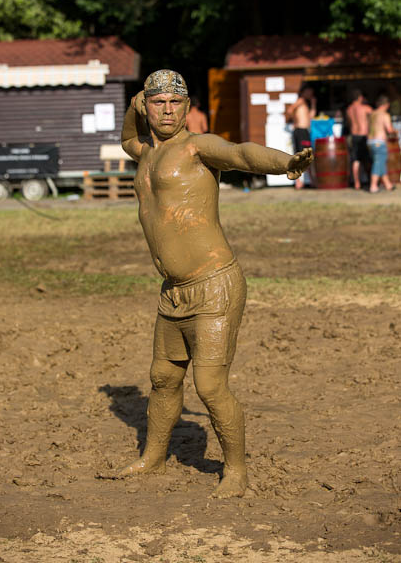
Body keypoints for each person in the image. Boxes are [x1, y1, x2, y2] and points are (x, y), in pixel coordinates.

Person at [118, 69, 313, 498]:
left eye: (175, 103)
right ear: (146, 106)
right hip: (173, 291)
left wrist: (285, 164)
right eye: (157, 103)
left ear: (188, 108)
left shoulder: (197, 147)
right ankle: (152, 458)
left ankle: (237, 471)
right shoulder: (145, 153)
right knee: (163, 378)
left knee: (209, 385)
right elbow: (127, 138)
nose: (167, 111)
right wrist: (134, 107)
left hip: (214, 285)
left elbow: (241, 154)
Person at [287, 84, 317, 189]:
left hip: (305, 131)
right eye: (309, 92)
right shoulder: (300, 100)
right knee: (300, 156)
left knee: (307, 156)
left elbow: (311, 117)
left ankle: (310, 180)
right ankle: (298, 181)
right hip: (300, 131)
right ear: (304, 92)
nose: (311, 94)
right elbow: (290, 110)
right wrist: (295, 121)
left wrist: (313, 104)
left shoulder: (305, 103)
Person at [367, 94, 396, 193]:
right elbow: (389, 129)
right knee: (378, 163)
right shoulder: (384, 114)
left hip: (370, 142)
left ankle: (388, 185)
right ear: (386, 104)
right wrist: (396, 131)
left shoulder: (372, 113)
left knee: (381, 163)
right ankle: (373, 186)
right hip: (379, 142)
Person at [346, 89, 373, 190]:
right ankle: (371, 180)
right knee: (367, 159)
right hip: (363, 135)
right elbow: (374, 118)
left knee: (355, 160)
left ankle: (357, 183)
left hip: (354, 135)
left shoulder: (349, 109)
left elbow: (349, 123)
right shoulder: (366, 108)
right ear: (360, 97)